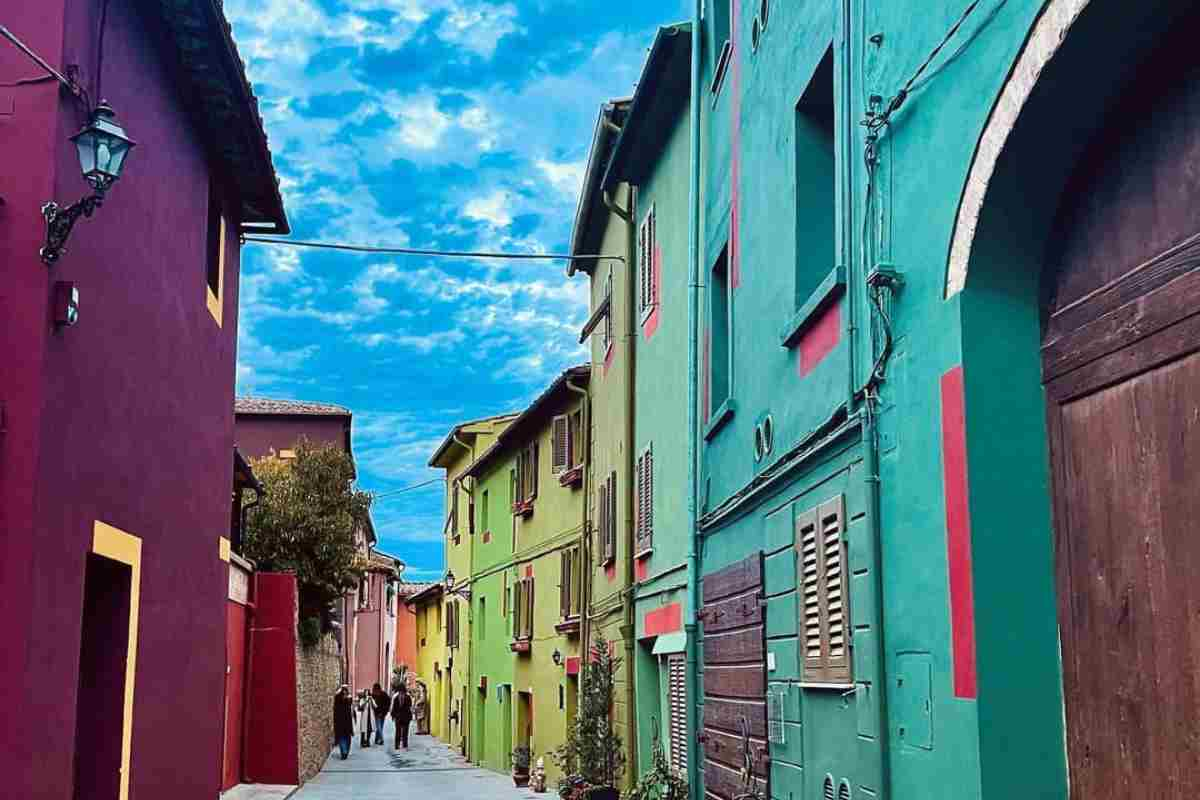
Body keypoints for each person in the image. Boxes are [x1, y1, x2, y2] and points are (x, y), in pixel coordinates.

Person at [333, 685, 354, 760]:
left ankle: (344, 752)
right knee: (344, 737)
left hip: (343, 722)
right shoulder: (341, 698)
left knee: (344, 737)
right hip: (344, 722)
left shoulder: (347, 698)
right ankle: (344, 752)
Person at [391, 684, 413, 750]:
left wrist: (393, 716)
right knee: (402, 731)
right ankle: (403, 744)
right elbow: (409, 706)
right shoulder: (406, 697)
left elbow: (394, 708)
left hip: (401, 717)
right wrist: (393, 715)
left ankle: (398, 745)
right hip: (403, 717)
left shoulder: (397, 697)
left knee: (401, 731)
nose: (400, 692)